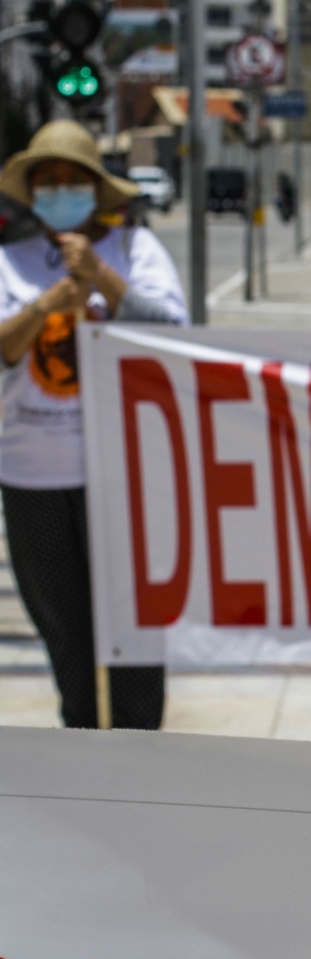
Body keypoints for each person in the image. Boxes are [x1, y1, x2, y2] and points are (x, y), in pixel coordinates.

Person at [0, 121, 187, 729]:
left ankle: (141, 763)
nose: (59, 192)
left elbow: (176, 335)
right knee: (67, 638)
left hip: (125, 475)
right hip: (34, 474)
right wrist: (46, 305)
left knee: (135, 636)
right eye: (47, 182)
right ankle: (83, 753)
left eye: (72, 181)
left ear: (96, 189)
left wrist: (101, 278)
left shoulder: (134, 249)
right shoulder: (11, 262)